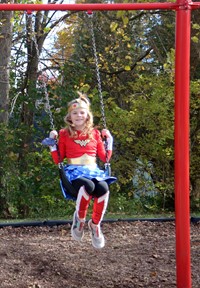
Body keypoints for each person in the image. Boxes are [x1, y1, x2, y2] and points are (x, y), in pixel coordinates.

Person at [48, 92, 117, 249]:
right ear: (70, 117)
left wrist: (109, 140)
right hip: (75, 172)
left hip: (93, 171)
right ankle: (79, 221)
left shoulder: (95, 133)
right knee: (88, 187)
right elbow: (59, 159)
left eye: (82, 112)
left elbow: (104, 156)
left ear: (87, 115)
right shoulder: (65, 134)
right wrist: (53, 143)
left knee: (103, 188)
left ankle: (95, 225)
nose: (78, 115)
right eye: (74, 113)